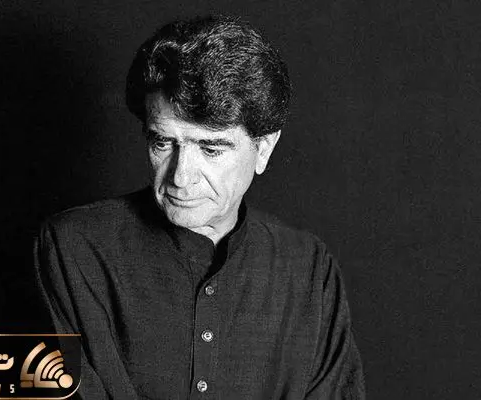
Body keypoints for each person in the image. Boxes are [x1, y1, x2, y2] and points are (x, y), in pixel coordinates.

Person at [34, 15, 365, 399]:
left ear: (264, 148)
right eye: (163, 143)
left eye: (210, 149)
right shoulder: (76, 248)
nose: (180, 177)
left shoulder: (309, 269)